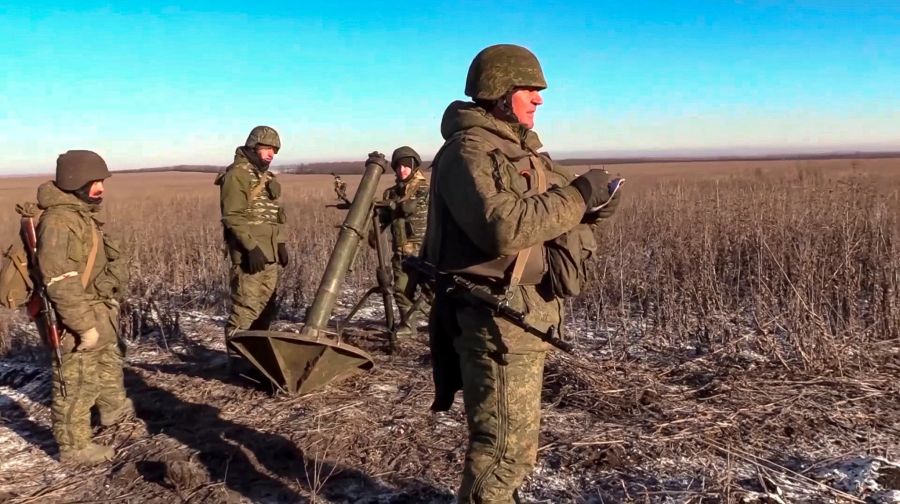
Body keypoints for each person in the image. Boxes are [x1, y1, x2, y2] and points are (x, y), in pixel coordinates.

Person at [423, 44, 622, 503]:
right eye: (529, 89)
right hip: (495, 318)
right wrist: (578, 196)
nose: (539, 99)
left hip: (523, 313)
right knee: (502, 454)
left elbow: (555, 212)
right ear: (498, 91)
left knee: (514, 449)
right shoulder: (468, 152)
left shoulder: (518, 150)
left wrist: (598, 202)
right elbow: (505, 227)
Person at [36, 150, 132, 464]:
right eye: (95, 182)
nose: (101, 188)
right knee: (76, 383)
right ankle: (75, 448)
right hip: (78, 315)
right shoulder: (60, 221)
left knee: (107, 363)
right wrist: (83, 326)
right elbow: (60, 280)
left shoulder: (79, 214)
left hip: (97, 307)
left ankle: (113, 411)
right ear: (75, 182)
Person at [216, 126, 288, 351]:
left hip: (269, 254)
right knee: (245, 310)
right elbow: (232, 216)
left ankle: (259, 358)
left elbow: (276, 215)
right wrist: (250, 248)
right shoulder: (237, 174)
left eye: (274, 150)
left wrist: (281, 243)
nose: (271, 154)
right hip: (250, 255)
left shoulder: (266, 177)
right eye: (266, 148)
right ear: (254, 146)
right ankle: (239, 362)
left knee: (266, 308)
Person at [372, 146, 430, 335]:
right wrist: (375, 232)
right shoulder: (391, 194)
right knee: (401, 289)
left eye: (406, 166)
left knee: (432, 291)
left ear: (414, 167)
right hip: (402, 251)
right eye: (398, 167)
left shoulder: (426, 190)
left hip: (426, 251)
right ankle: (407, 325)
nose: (401, 170)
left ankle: (440, 324)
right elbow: (383, 218)